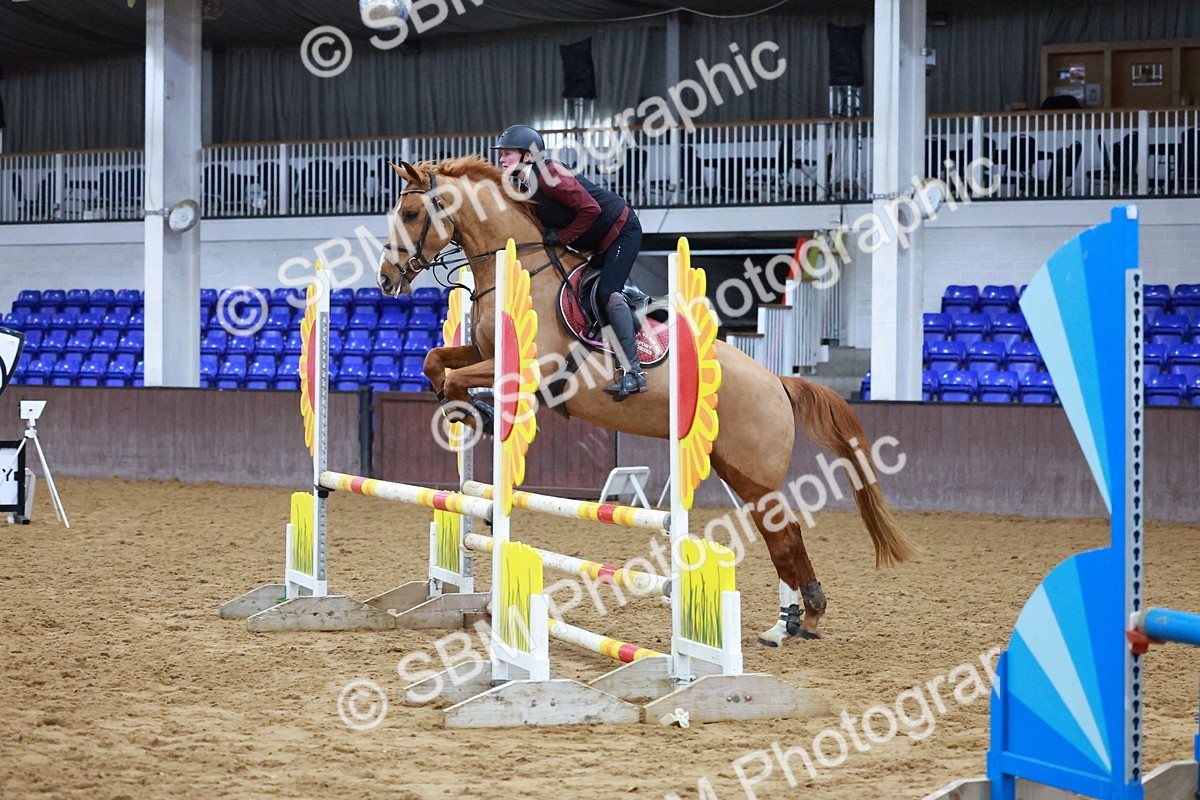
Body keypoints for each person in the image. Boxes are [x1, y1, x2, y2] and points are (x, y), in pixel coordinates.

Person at [492, 124, 647, 401]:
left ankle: (634, 373)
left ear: (528, 156)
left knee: (606, 293)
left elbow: (591, 209)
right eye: (501, 154)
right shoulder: (522, 185)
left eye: (507, 154)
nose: (501, 159)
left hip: (621, 230)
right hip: (596, 240)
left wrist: (562, 236)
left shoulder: (549, 173)